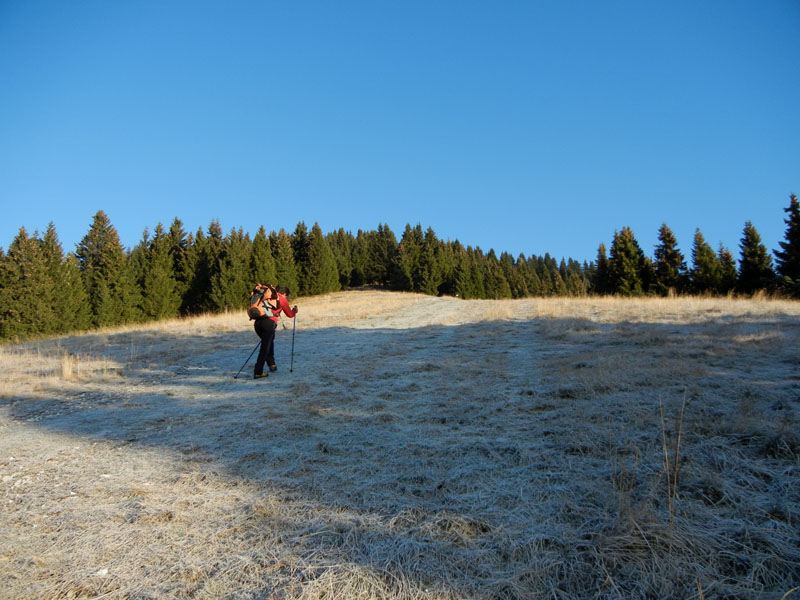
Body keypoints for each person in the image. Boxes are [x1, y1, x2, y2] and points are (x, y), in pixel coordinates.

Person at [251, 284, 297, 379]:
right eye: (286, 295)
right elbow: (290, 314)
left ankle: (272, 365)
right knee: (265, 348)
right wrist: (295, 311)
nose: (286, 297)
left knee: (268, 343)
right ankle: (258, 372)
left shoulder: (266, 295)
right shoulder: (281, 299)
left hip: (257, 323)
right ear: (284, 294)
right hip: (268, 323)